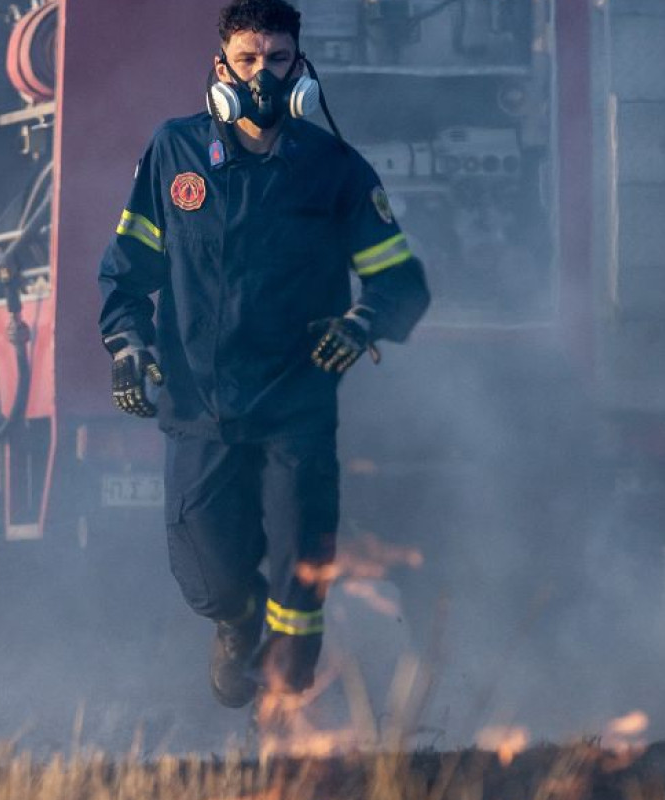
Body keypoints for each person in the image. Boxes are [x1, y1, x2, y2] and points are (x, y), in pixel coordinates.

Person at [97, 0, 430, 709]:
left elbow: (400, 281)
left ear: (300, 70)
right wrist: (128, 345)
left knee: (298, 583)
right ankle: (234, 625)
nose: (262, 76)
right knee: (214, 581)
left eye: (277, 60)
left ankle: (285, 704)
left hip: (296, 407)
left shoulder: (335, 170)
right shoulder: (174, 153)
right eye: (248, 60)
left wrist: (365, 321)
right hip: (199, 408)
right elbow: (128, 273)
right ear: (219, 68)